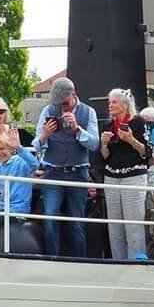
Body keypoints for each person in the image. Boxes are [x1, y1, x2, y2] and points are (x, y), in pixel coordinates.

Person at [32, 76, 100, 258]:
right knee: (50, 217)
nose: (62, 107)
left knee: (77, 222)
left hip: (78, 172)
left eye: (65, 103)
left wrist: (77, 128)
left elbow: (94, 144)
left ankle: (79, 262)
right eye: (58, 103)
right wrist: (45, 135)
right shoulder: (48, 110)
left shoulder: (88, 112)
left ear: (74, 95)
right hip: (53, 172)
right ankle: (52, 260)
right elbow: (36, 145)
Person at [100, 87, 150, 260]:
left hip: (133, 177)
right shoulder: (108, 126)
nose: (110, 105)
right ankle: (118, 264)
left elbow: (147, 152)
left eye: (113, 102)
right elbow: (105, 157)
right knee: (115, 227)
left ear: (125, 105)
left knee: (133, 226)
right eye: (109, 102)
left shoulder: (138, 123)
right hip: (112, 177)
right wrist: (104, 144)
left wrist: (131, 140)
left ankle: (135, 265)